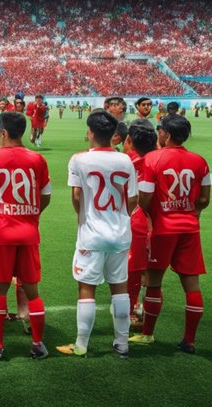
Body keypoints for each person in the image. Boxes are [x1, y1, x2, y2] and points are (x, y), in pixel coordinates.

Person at [55, 111, 138, 359]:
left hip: (91, 234)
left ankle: (81, 345)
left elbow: (77, 197)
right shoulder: (126, 161)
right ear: (113, 135)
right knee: (120, 288)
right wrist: (120, 217)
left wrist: (85, 218)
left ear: (90, 132)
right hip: (121, 234)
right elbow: (132, 198)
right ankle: (122, 344)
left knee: (87, 289)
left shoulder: (79, 160)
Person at [129, 114, 210, 353]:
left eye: (161, 130)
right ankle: (190, 340)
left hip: (163, 228)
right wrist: (190, 212)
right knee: (192, 284)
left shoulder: (153, 158)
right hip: (190, 228)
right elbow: (205, 199)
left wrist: (155, 216)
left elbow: (144, 197)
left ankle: (148, 334)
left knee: (153, 282)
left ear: (168, 135)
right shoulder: (200, 161)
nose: (159, 133)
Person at [0, 111, 52, 360]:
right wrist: (31, 214)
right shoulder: (37, 159)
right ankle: (38, 345)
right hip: (29, 232)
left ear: (3, 133)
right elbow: (46, 195)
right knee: (32, 290)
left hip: (1, 232)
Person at [123, 120, 157, 326]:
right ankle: (136, 306)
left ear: (129, 140)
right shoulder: (155, 162)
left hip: (125, 217)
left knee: (132, 267)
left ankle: (130, 309)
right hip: (149, 220)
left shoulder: (121, 160)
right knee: (145, 267)